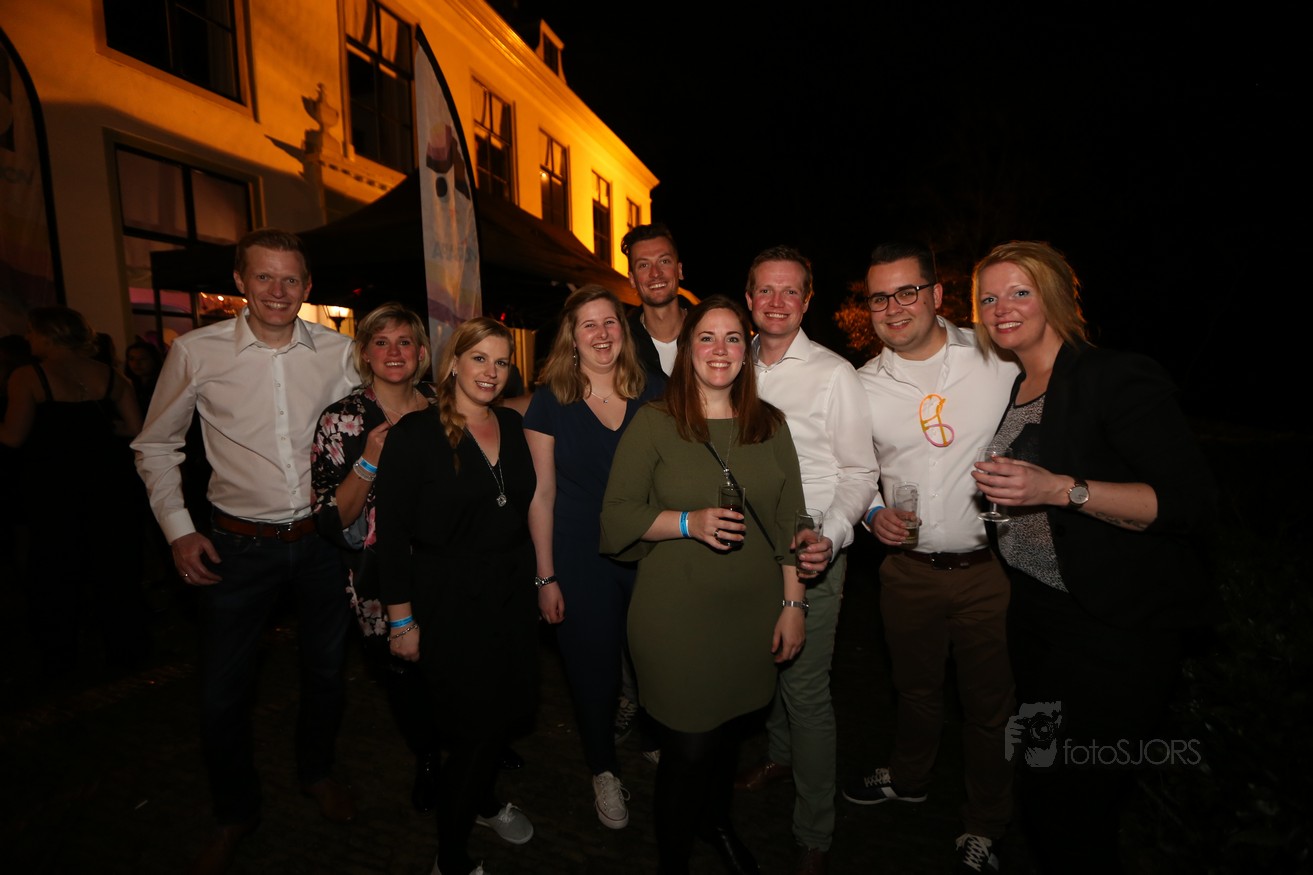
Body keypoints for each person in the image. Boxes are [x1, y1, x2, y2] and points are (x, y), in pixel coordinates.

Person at [970, 241, 1215, 873]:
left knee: (1073, 802)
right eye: (989, 298)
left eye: (1019, 292)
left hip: (1113, 627)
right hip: (1038, 618)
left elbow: (1186, 503)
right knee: (1042, 780)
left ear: (1054, 295)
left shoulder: (1114, 375)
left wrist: (1060, 489)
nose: (1001, 308)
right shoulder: (1021, 385)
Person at [132, 228, 359, 875]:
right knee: (220, 694)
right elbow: (155, 444)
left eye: (290, 279)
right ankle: (235, 812)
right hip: (236, 546)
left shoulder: (339, 351)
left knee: (326, 674)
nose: (277, 291)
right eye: (264, 276)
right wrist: (179, 529)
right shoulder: (195, 351)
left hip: (321, 543)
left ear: (307, 286)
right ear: (239, 281)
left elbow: (371, 426)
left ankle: (316, 772)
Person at [601, 295, 808, 875]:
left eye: (733, 338)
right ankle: (673, 860)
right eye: (706, 338)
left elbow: (791, 520)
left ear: (747, 352)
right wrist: (687, 522)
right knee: (689, 750)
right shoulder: (655, 422)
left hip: (752, 617)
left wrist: (794, 604)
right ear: (686, 350)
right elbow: (615, 518)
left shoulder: (770, 425)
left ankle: (715, 822)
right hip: (676, 620)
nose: (720, 349)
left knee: (727, 737)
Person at [845, 241, 1020, 874]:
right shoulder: (861, 385)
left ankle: (986, 823)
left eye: (907, 291)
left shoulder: (996, 358)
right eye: (880, 297)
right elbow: (853, 472)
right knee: (915, 690)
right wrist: (871, 515)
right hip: (908, 572)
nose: (894, 307)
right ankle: (911, 778)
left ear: (937, 294)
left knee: (990, 708)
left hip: (989, 572)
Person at [374, 316, 538, 875]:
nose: (491, 371)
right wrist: (401, 620)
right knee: (476, 732)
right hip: (448, 601)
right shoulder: (415, 434)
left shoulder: (511, 424)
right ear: (453, 363)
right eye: (479, 359)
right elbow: (391, 536)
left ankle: (485, 803)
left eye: (501, 361)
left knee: (502, 716)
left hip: (511, 596)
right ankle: (450, 858)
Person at [733, 246, 878, 875]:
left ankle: (814, 830)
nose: (776, 302)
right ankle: (779, 755)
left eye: (789, 291)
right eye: (765, 290)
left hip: (807, 548)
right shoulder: (730, 361)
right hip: (741, 547)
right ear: (748, 298)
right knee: (765, 665)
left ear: (807, 300)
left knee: (807, 688)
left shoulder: (833, 374)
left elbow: (861, 471)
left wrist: (834, 534)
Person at [524, 285, 664, 831]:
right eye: (589, 324)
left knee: (656, 659)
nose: (602, 334)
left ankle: (655, 736)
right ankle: (603, 768)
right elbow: (542, 495)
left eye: (610, 323)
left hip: (651, 551)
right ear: (572, 336)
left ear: (622, 332)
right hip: (581, 556)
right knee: (593, 672)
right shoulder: (549, 401)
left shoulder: (655, 390)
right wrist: (545, 576)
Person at [310, 302, 441, 811]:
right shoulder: (341, 420)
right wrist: (369, 458)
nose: (394, 352)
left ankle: (478, 741)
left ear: (421, 352)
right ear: (364, 353)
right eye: (381, 342)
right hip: (381, 575)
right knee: (405, 670)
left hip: (447, 564)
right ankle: (428, 757)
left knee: (458, 658)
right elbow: (332, 519)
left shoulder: (443, 406)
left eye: (404, 341)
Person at [2, 306, 147, 672]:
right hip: (109, 486)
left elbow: (13, 436)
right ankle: (124, 651)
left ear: (48, 334)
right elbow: (136, 429)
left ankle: (60, 657)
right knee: (113, 569)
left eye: (32, 331)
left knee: (55, 571)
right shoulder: (112, 376)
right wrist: (98, 431)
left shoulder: (28, 376)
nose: (29, 338)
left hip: (53, 488)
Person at [622, 222, 689, 378]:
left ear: (679, 270)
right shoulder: (621, 344)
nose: (655, 273)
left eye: (664, 261)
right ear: (632, 279)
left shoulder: (709, 331)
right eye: (644, 265)